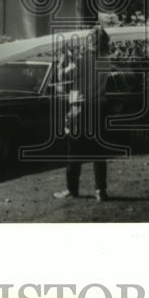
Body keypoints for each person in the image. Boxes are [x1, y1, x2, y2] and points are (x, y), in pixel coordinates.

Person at [54, 26, 112, 201]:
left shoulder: (81, 59)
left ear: (90, 41)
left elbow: (62, 77)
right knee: (99, 151)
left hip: (80, 108)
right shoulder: (105, 61)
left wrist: (62, 60)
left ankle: (72, 190)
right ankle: (100, 190)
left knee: (75, 151)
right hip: (98, 108)